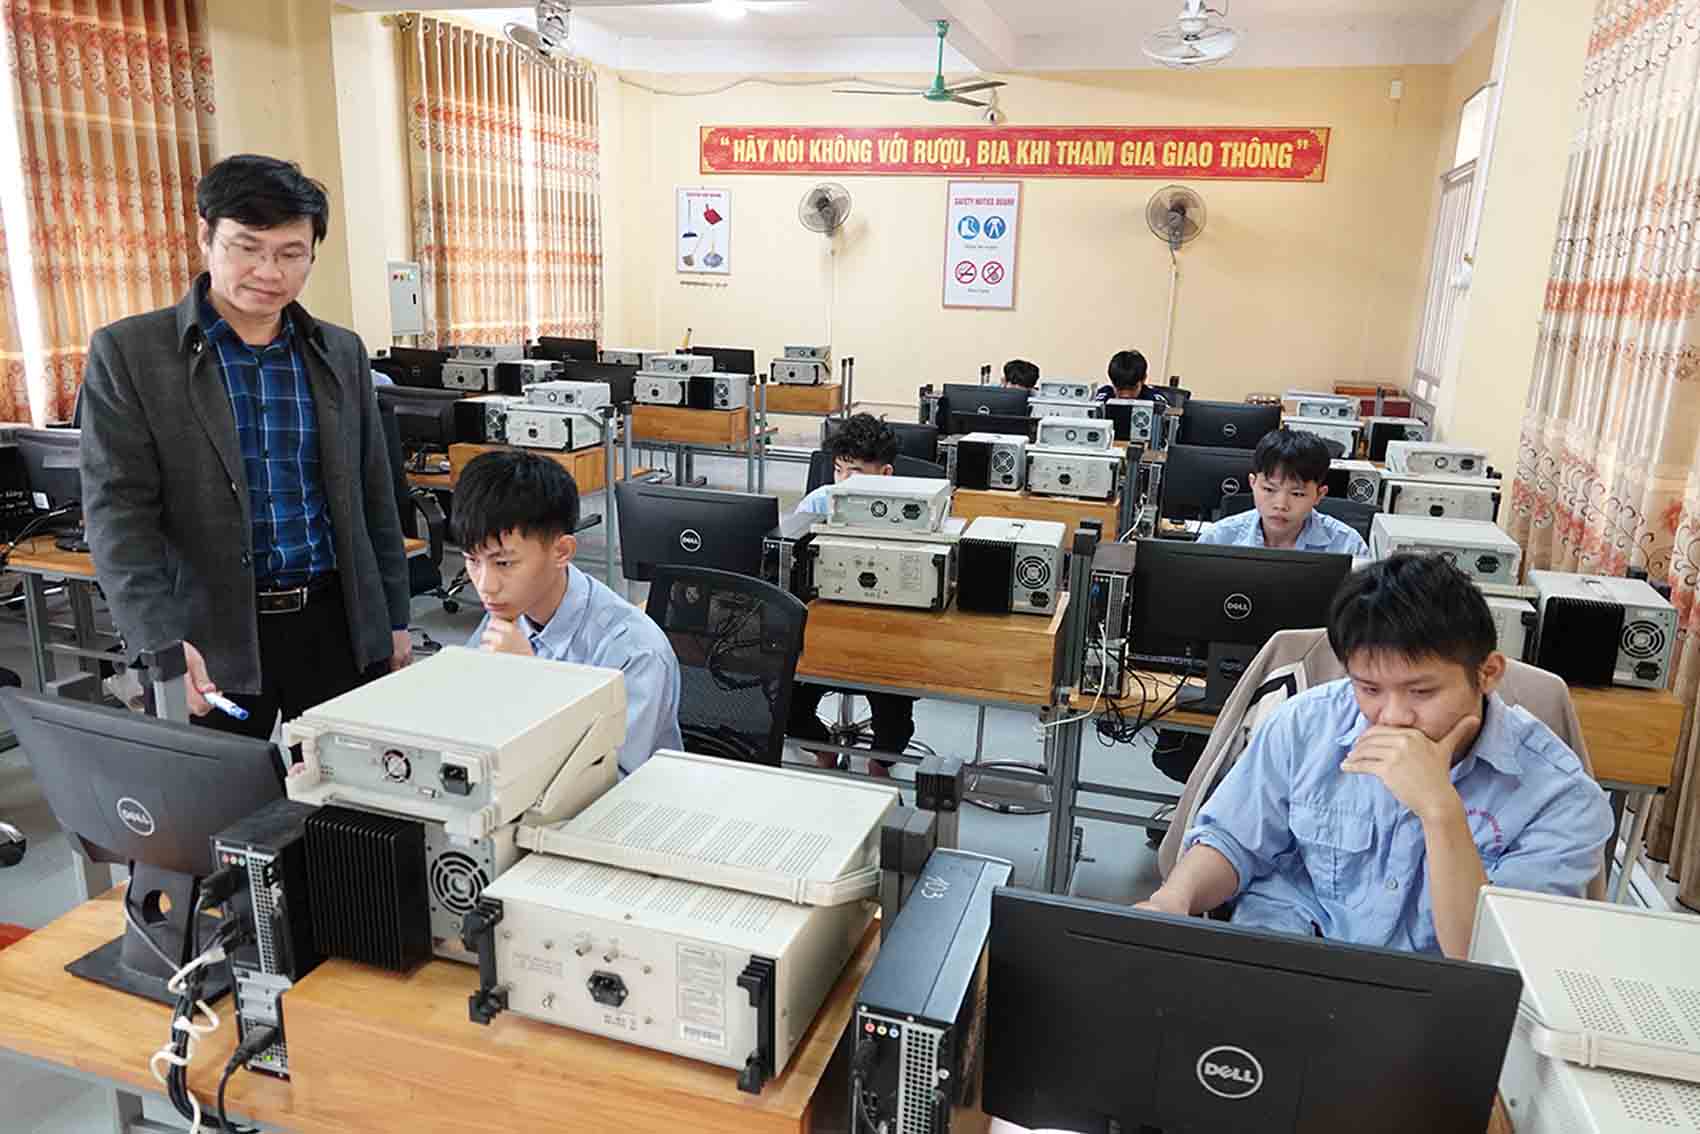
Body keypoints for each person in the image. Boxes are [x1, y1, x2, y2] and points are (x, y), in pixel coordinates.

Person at [81, 154, 412, 739]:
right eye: (247, 247)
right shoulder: (131, 354)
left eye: (290, 253)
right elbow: (117, 515)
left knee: (353, 813)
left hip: (335, 622)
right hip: (211, 634)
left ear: (312, 253)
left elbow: (374, 496)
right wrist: (158, 639)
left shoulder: (339, 352)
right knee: (219, 814)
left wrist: (395, 617)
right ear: (206, 237)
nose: (269, 271)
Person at [1140, 555, 1614, 958]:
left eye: (1422, 691)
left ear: (1487, 673)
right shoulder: (1306, 725)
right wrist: (1172, 900)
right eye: (1369, 688)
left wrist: (1440, 810)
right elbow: (1233, 841)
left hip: (1438, 1001)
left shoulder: (1559, 796)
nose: (1392, 716)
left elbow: (1486, 960)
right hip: (1286, 964)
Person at [455, 450, 682, 775]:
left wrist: (529, 684)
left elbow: (608, 784)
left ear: (561, 552)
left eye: (504, 563)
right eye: (472, 561)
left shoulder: (634, 652)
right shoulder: (508, 612)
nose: (486, 585)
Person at [792, 414, 915, 775]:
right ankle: (824, 749)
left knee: (894, 717)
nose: (843, 482)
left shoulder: (914, 511)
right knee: (785, 703)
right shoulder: (817, 502)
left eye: (856, 472)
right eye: (839, 470)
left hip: (886, 632)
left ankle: (879, 764)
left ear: (886, 475)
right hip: (822, 628)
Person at [1198, 428, 1369, 556]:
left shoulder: (1348, 546)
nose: (1281, 505)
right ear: (1252, 484)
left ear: (1319, 495)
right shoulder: (1218, 539)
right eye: (1269, 489)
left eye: (1297, 494)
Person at [1097, 348, 1164, 405]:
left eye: (1132, 389)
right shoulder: (1101, 398)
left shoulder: (1156, 401)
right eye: (1120, 388)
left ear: (1144, 379)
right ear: (1112, 381)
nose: (1125, 395)